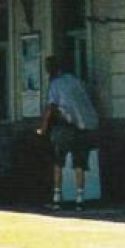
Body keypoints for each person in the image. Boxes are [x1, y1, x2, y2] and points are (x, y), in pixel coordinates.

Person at [35, 56, 99, 211]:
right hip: (85, 128)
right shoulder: (77, 82)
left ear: (53, 69)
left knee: (58, 162)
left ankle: (57, 199)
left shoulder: (55, 84)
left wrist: (42, 128)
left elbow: (51, 107)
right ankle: (80, 200)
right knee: (80, 164)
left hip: (65, 126)